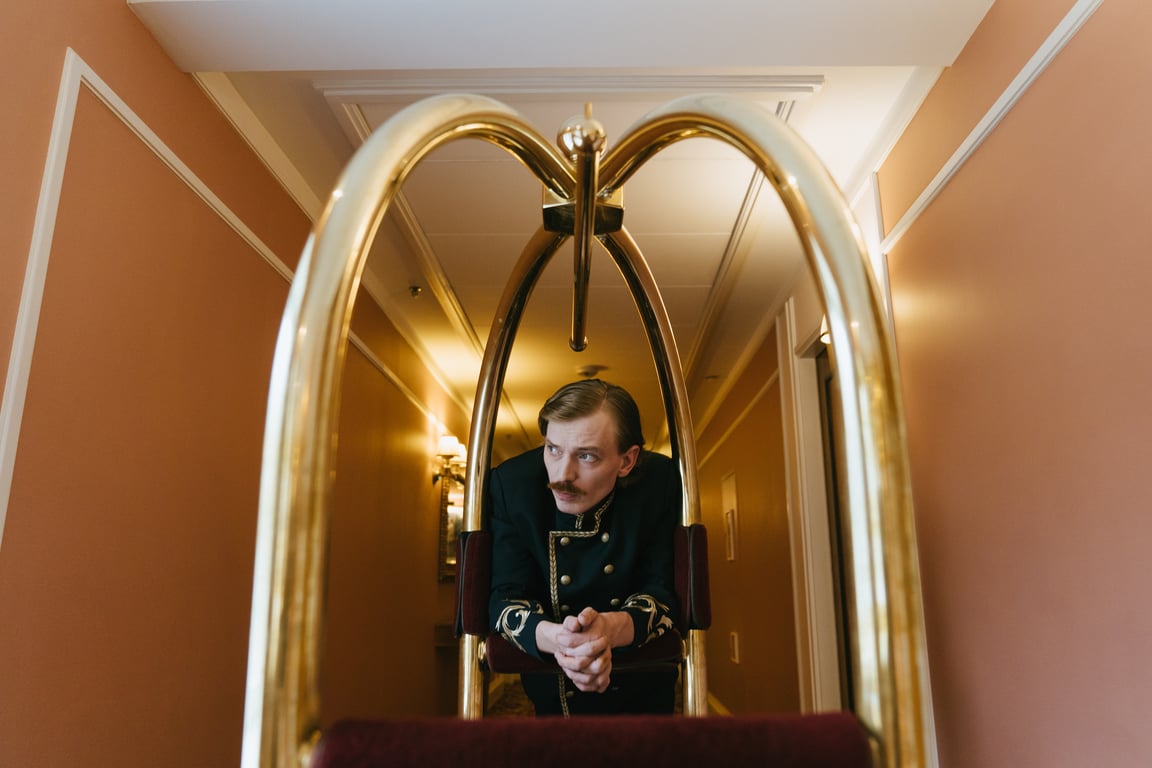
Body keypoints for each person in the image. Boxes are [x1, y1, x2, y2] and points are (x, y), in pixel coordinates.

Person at [487, 379, 682, 716]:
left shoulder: (659, 484)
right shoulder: (512, 486)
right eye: (552, 449)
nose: (562, 475)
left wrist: (609, 629)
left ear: (627, 461)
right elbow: (504, 596)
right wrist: (560, 640)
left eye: (587, 456)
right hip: (549, 684)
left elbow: (663, 591)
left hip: (645, 685)